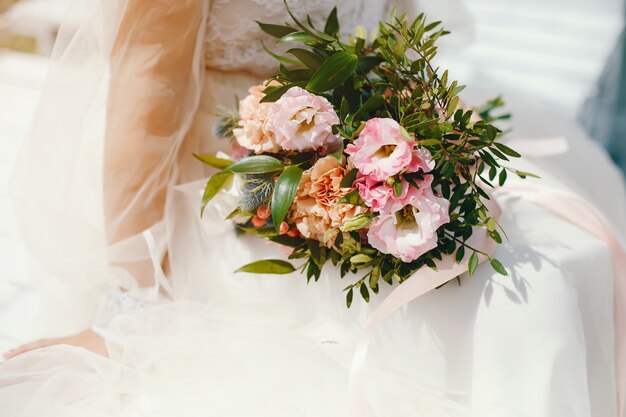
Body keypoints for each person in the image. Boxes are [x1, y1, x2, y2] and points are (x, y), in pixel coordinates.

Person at [1, 1, 625, 416]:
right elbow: (148, 91)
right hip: (225, 182)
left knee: (554, 271)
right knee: (511, 312)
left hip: (354, 150)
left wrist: (404, 155)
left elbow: (392, 38)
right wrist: (127, 303)